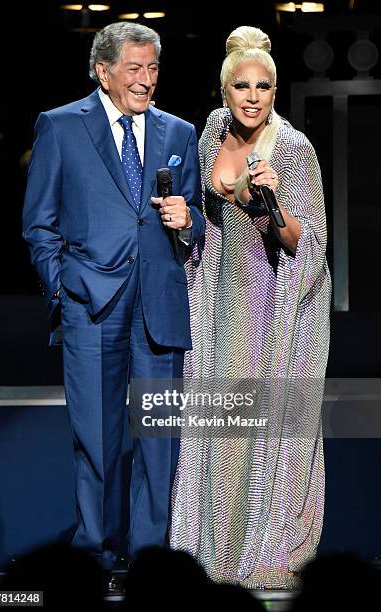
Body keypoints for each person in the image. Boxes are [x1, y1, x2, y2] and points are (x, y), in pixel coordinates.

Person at [22, 22, 204, 572]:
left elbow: (193, 218)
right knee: (97, 443)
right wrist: (61, 287)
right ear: (103, 71)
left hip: (159, 304)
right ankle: (96, 557)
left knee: (158, 443)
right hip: (89, 305)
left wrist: (188, 220)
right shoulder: (59, 126)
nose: (146, 80)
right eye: (134, 68)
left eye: (152, 69)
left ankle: (149, 559)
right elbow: (39, 225)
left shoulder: (178, 132)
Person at [170, 26, 331, 589]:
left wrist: (273, 202)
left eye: (264, 86)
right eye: (242, 85)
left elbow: (308, 244)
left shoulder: (292, 150)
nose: (253, 96)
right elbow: (201, 216)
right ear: (224, 90)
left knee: (264, 435)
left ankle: (264, 551)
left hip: (274, 309)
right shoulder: (211, 134)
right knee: (219, 433)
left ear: (275, 91)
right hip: (217, 303)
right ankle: (210, 551)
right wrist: (186, 222)